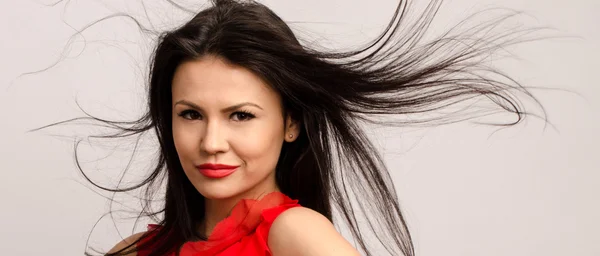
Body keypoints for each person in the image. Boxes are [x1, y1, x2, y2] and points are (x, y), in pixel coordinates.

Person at [44, 0, 545, 255]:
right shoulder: (137, 251)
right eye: (190, 114)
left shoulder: (292, 233)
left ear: (291, 124)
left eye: (241, 115)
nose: (211, 143)